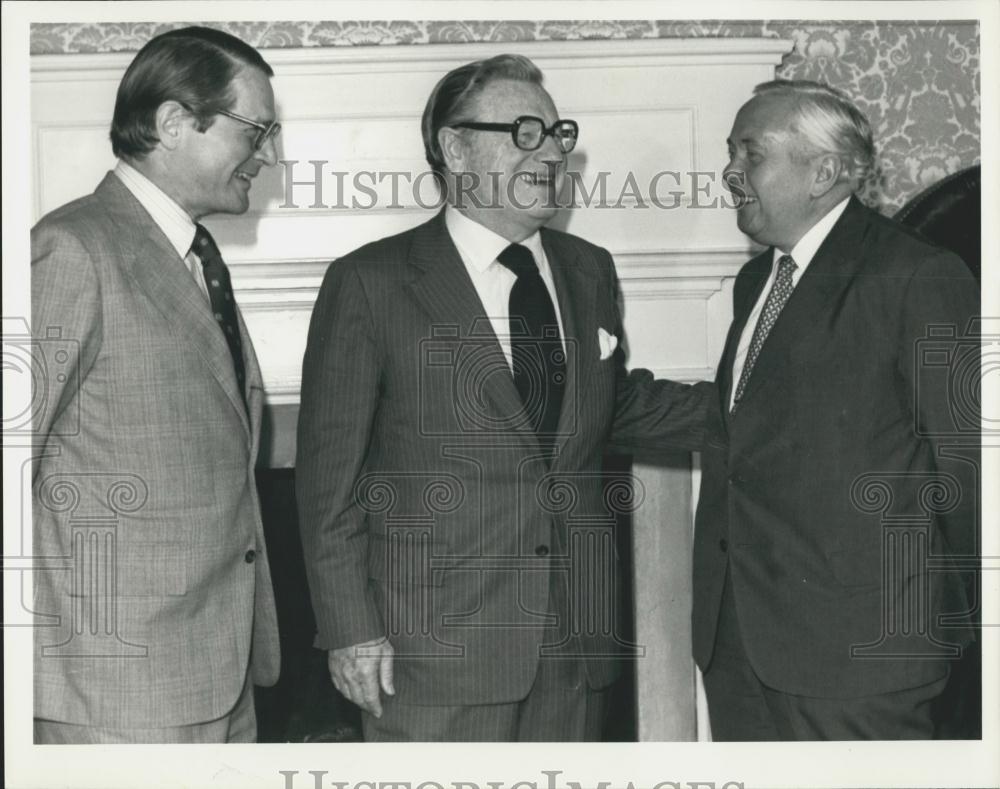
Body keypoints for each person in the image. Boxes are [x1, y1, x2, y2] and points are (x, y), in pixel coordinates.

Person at [296, 54, 711, 742]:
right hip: (432, 655)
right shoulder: (371, 282)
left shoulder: (588, 270)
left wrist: (767, 399)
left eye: (557, 133)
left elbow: (608, 406)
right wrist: (351, 630)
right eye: (525, 132)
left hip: (575, 644)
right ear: (456, 147)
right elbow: (326, 482)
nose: (551, 151)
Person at [693, 79, 979, 740]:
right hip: (740, 650)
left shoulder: (916, 275)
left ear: (823, 171)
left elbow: (971, 472)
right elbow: (745, 427)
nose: (730, 173)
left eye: (750, 154)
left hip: (863, 663)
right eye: (730, 152)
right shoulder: (755, 280)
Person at [31, 26, 283, 743]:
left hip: (219, 675)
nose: (266, 155)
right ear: (174, 122)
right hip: (111, 689)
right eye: (255, 130)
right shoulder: (72, 249)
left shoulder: (198, 258)